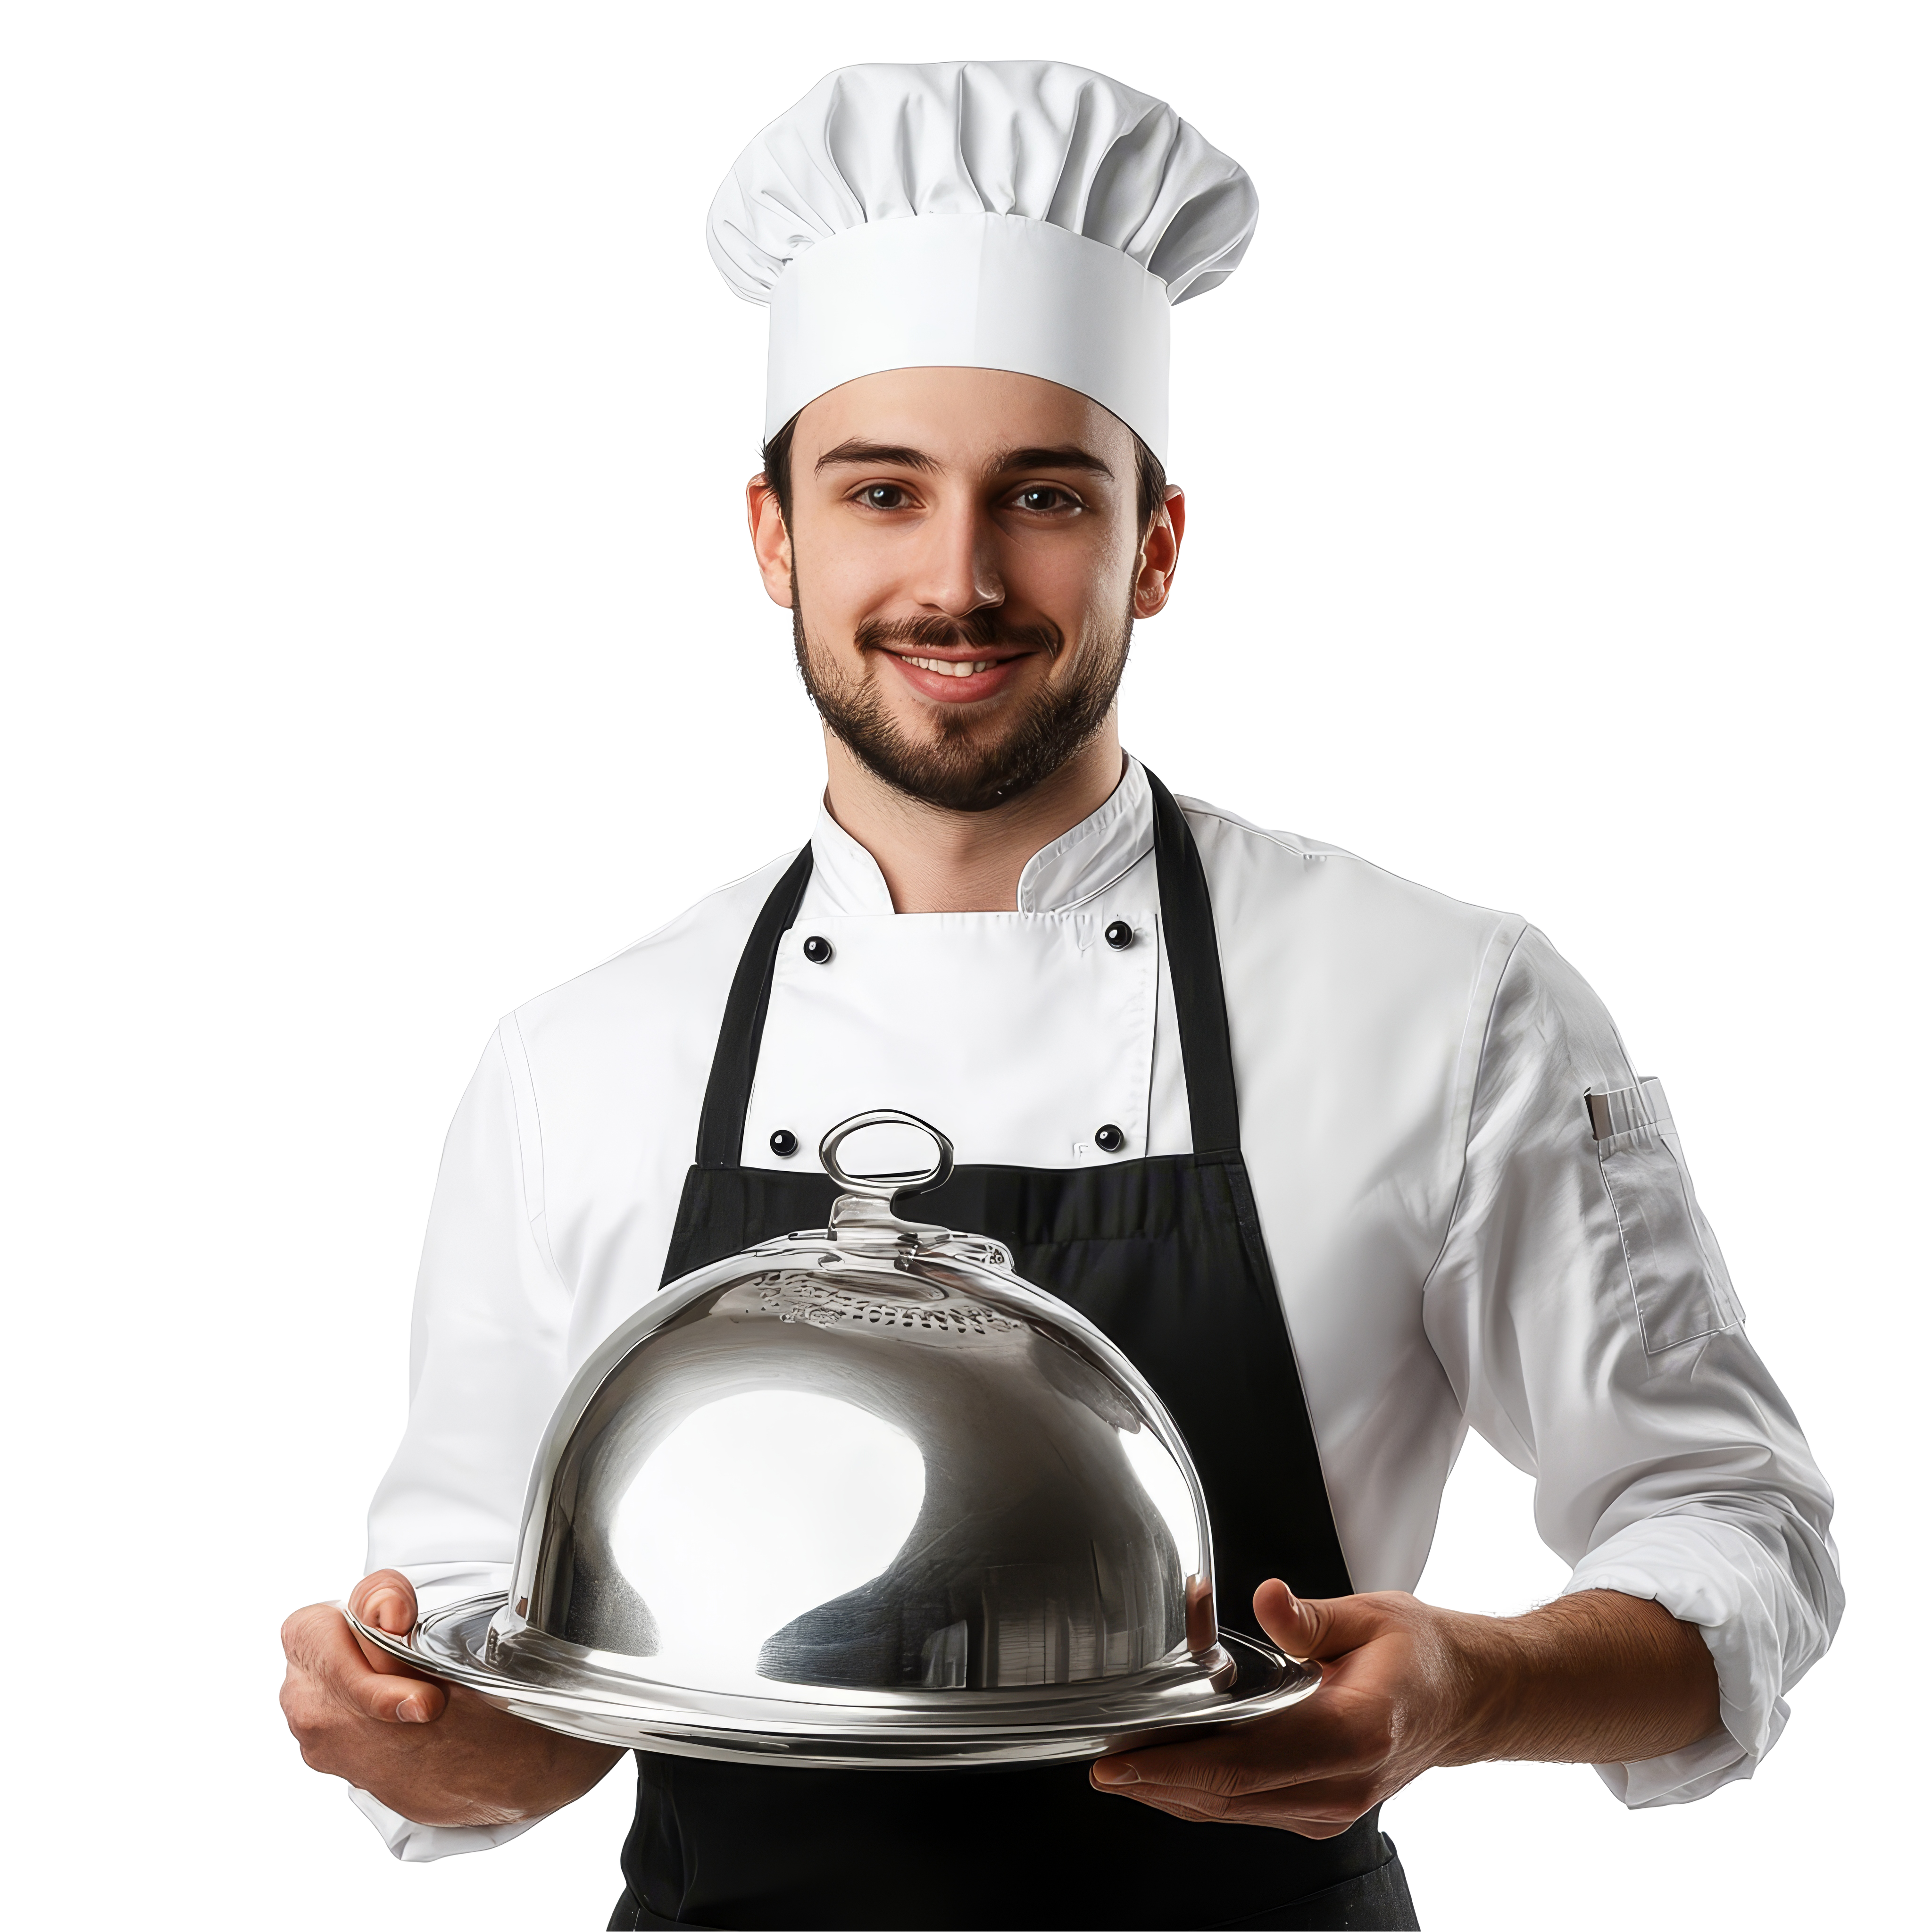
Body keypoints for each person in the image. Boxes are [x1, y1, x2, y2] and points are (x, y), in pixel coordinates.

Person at [279, 60, 1841, 1931]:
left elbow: (1735, 1532)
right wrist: (412, 1725)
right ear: (774, 536)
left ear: (1150, 542)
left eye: (1038, 494)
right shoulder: (578, 1067)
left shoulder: (1444, 1006)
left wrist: (1466, 1685)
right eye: (881, 493)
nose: (957, 580)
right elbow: (505, 1699)